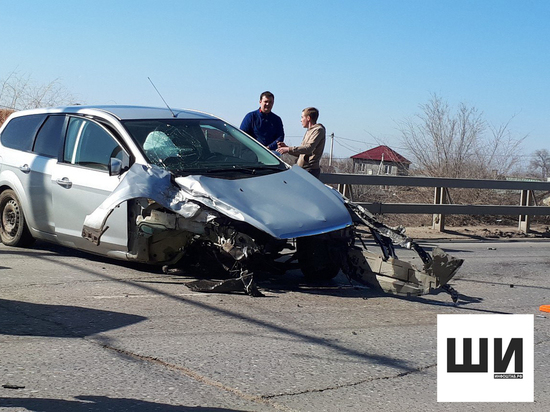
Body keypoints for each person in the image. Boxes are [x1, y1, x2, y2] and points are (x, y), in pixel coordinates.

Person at [277, 107, 325, 178]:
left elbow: (308, 148)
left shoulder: (318, 130)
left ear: (308, 118)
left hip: (310, 170)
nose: (301, 120)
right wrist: (286, 148)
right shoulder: (309, 131)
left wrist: (289, 149)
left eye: (302, 117)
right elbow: (302, 152)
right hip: (302, 169)